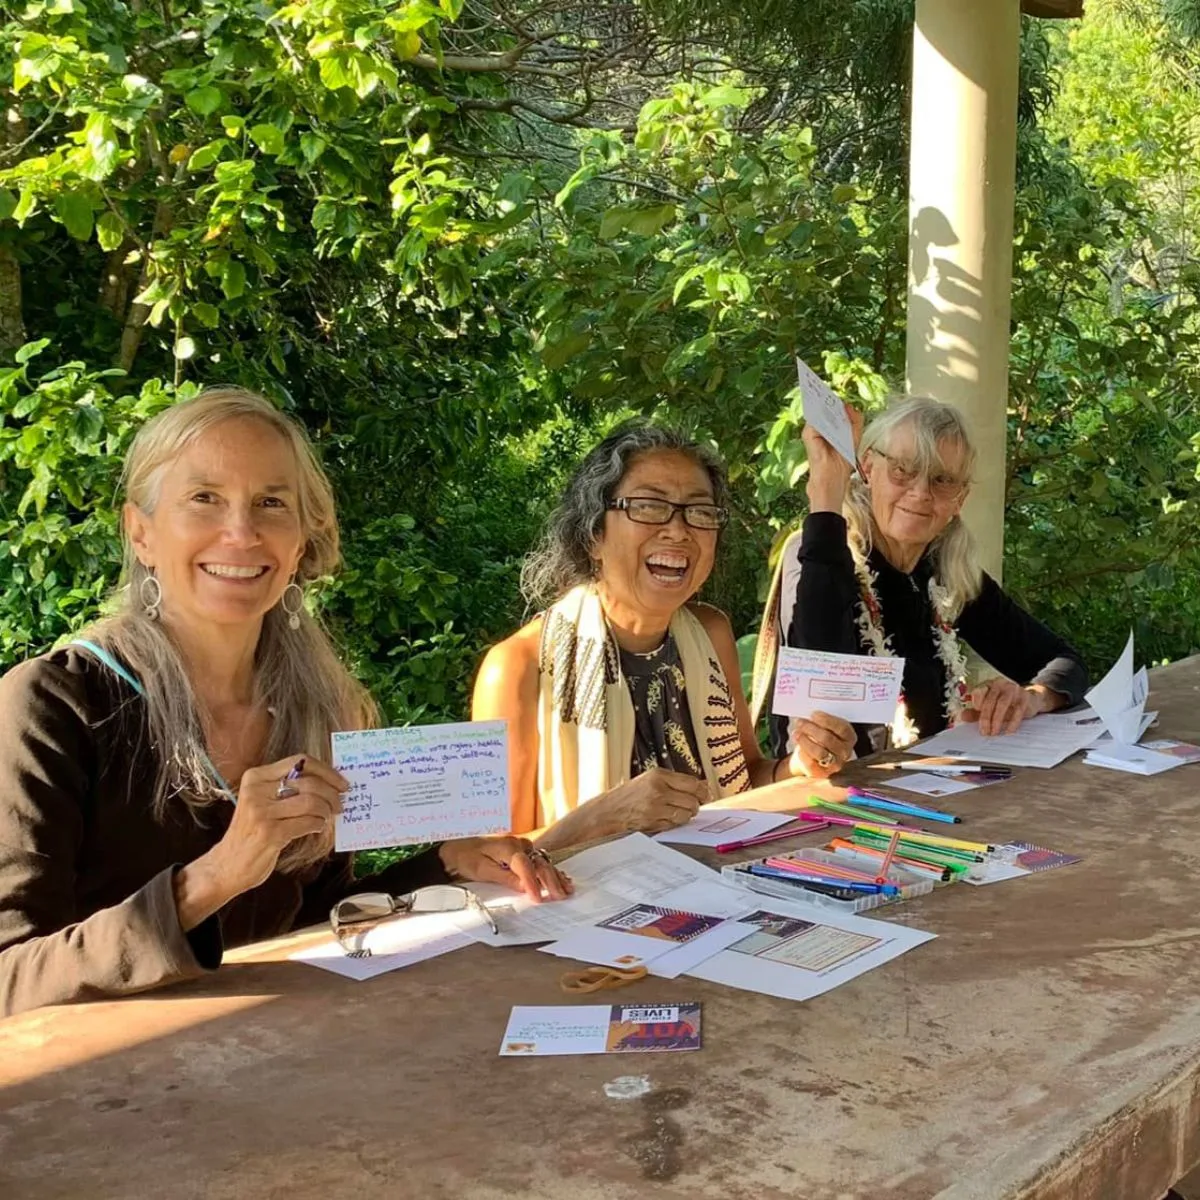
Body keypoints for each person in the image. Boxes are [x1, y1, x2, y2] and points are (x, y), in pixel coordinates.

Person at [0, 387, 569, 1019]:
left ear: (299, 543)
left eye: (271, 503)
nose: (241, 533)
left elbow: (315, 922)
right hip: (107, 1089)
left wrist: (445, 864)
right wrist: (214, 877)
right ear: (140, 532)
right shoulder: (52, 705)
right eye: (204, 499)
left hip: (274, 1063)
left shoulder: (318, 710)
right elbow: (13, 978)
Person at [472, 422, 856, 852]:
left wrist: (801, 763)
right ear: (593, 534)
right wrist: (605, 818)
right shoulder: (518, 667)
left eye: (699, 511)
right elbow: (492, 862)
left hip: (726, 886)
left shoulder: (712, 633)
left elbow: (749, 777)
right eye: (649, 507)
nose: (678, 530)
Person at [755, 396, 1087, 758]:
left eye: (942, 480)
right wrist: (825, 499)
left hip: (930, 787)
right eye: (903, 470)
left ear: (960, 497)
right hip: (831, 793)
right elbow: (822, 682)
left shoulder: (946, 569)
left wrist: (1032, 699)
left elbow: (1064, 662)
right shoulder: (821, 551)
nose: (920, 493)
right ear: (867, 467)